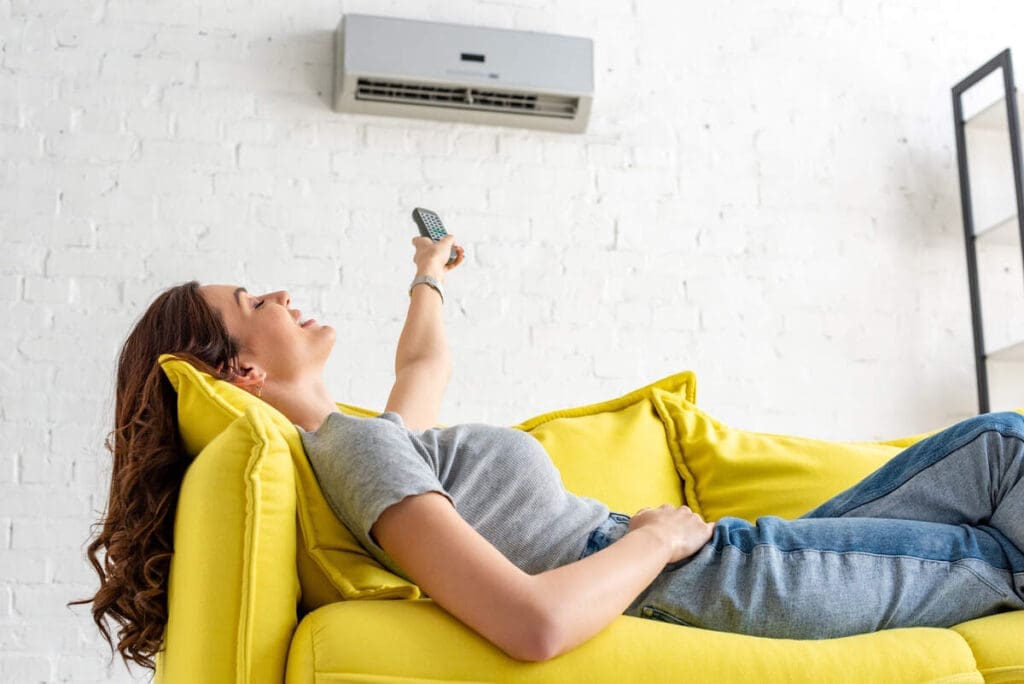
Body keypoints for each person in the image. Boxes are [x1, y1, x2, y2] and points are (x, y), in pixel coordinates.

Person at [71, 232, 1024, 672]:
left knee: (996, 451)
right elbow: (531, 625)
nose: (279, 293)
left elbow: (424, 365)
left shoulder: (367, 439)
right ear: (238, 370)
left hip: (718, 567)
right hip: (709, 579)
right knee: (1003, 523)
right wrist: (657, 538)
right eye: (252, 302)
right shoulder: (356, 455)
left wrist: (428, 278)